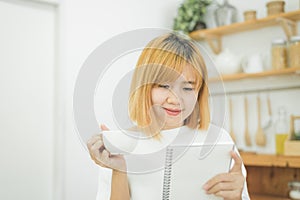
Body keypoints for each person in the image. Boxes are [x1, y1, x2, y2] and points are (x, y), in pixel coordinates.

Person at [87, 32, 250, 200]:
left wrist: (236, 197)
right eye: (164, 86)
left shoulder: (219, 141)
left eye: (187, 88)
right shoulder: (122, 145)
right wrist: (120, 170)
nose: (175, 99)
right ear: (144, 87)